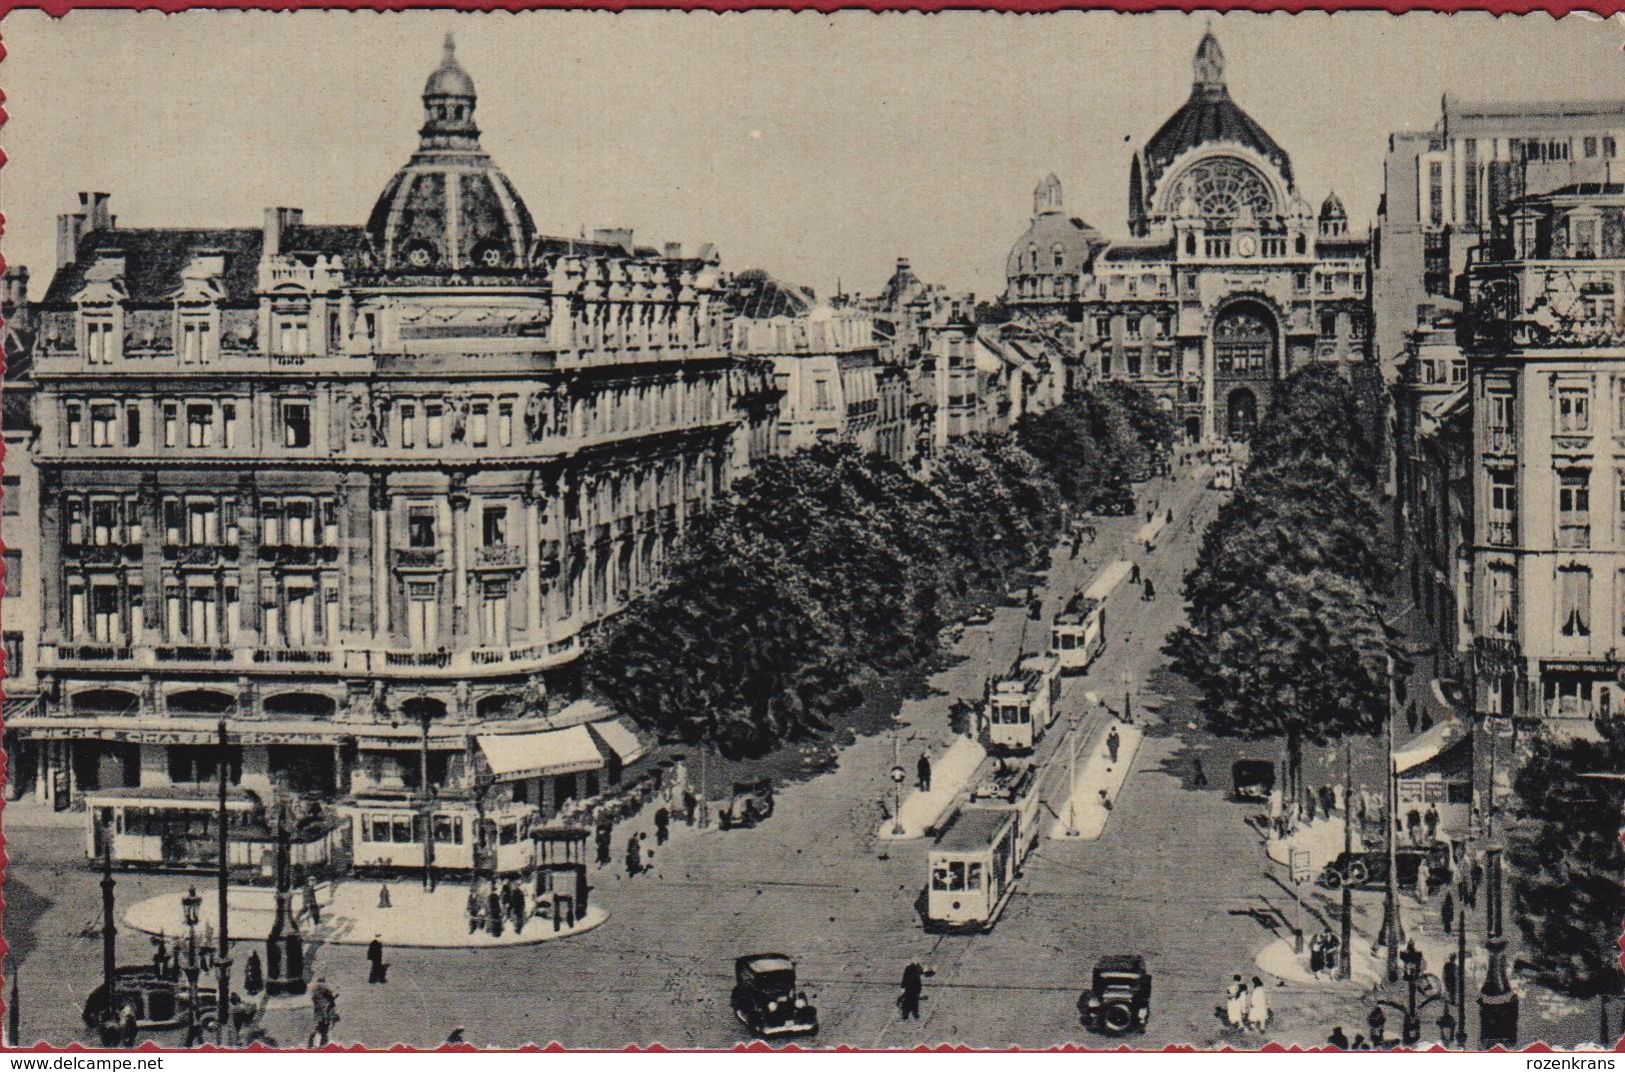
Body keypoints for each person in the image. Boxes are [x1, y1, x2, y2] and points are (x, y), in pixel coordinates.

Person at [309, 978, 338, 1047]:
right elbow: (331, 1001)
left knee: (320, 1027)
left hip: (319, 1012)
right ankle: (322, 1044)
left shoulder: (315, 992)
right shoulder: (325, 990)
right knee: (323, 1029)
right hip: (325, 1013)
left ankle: (313, 1041)